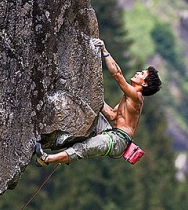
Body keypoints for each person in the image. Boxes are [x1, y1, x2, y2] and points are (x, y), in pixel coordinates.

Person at [35, 38, 162, 166]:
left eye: (141, 73)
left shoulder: (136, 96)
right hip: (113, 133)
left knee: (83, 148)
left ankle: (46, 159)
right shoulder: (130, 98)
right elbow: (112, 114)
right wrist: (93, 97)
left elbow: (117, 74)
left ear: (144, 83)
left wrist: (104, 51)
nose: (137, 73)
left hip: (117, 140)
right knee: (89, 110)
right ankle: (61, 138)